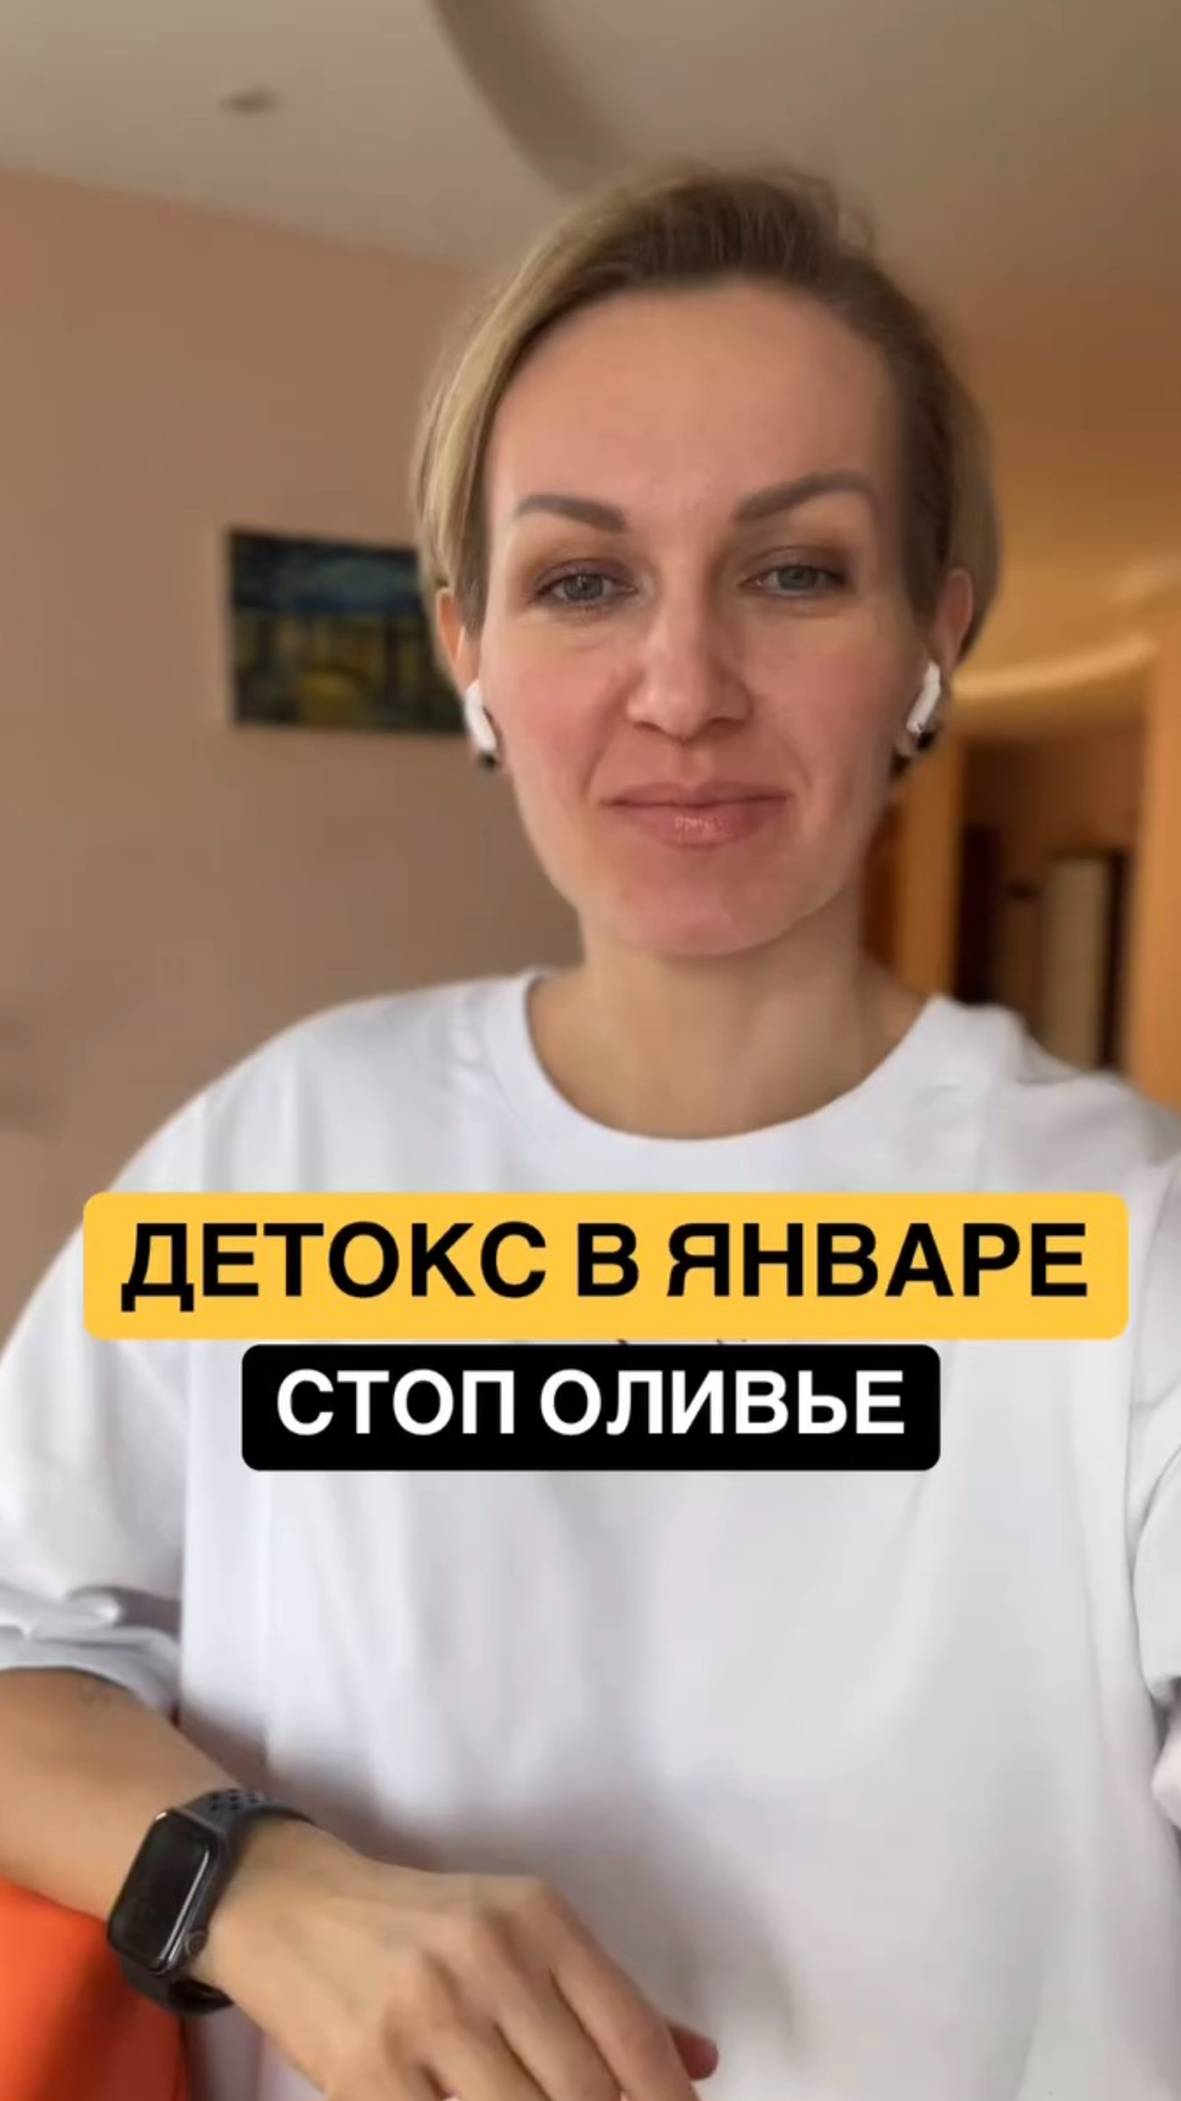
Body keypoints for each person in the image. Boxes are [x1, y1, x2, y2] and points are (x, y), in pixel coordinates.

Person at [0, 157, 1179, 2101]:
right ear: (467, 646)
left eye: (795, 571)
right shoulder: (284, 1147)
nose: (684, 689)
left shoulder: (1126, 1242)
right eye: (582, 580)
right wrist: (249, 1880)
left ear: (932, 636)